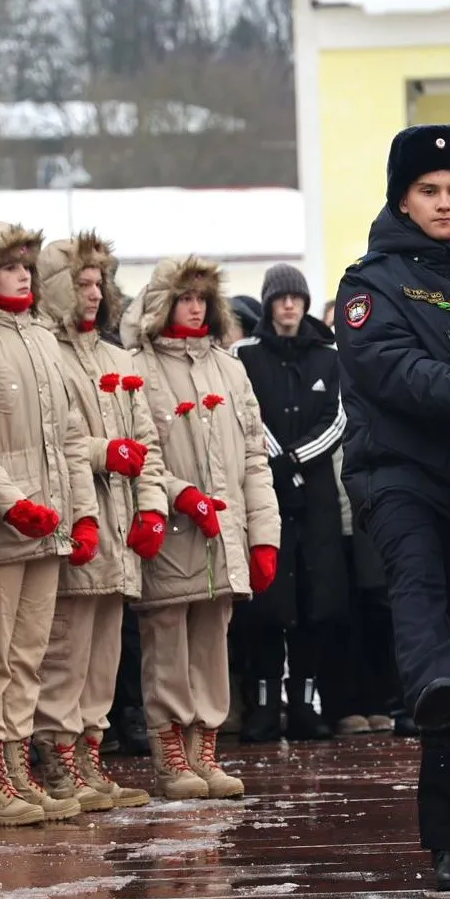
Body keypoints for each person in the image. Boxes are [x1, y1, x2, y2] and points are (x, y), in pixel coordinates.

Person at [334, 124, 450, 893]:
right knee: (416, 582)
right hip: (397, 472)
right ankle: (425, 687)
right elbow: (392, 372)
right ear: (401, 199)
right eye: (428, 191)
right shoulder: (368, 285)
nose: (444, 203)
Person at [0, 222, 99, 824]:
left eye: (28, 268)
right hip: (5, 528)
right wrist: (10, 501)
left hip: (50, 525)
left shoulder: (42, 337)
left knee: (31, 652)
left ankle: (17, 764)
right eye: (11, 267)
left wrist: (82, 514)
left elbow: (67, 435)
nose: (23, 277)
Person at [125, 256, 280, 800]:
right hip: (171, 532)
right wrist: (179, 495)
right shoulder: (137, 369)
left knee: (213, 645)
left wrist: (264, 536)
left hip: (224, 535)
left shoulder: (231, 369)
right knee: (167, 645)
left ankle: (206, 749)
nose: (193, 308)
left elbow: (254, 460)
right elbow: (140, 454)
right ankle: (171, 753)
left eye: (201, 299)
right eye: (183, 298)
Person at [32, 230, 166, 810]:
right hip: (73, 520)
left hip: (119, 524)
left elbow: (148, 443)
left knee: (105, 654)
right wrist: (100, 453)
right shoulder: (44, 351)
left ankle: (90, 752)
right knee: (66, 649)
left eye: (99, 283)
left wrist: (153, 508)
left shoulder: (118, 358)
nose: (93, 294)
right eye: (81, 283)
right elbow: (51, 438)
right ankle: (58, 756)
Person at [230, 263, 349, 743]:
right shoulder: (244, 356)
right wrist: (278, 462)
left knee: (315, 605)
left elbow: (339, 418)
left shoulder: (329, 356)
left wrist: (299, 460)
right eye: (279, 298)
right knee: (266, 605)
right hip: (264, 493)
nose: (288, 305)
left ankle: (304, 704)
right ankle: (262, 707)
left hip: (315, 497)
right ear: (269, 303)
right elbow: (244, 414)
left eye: (296, 297)